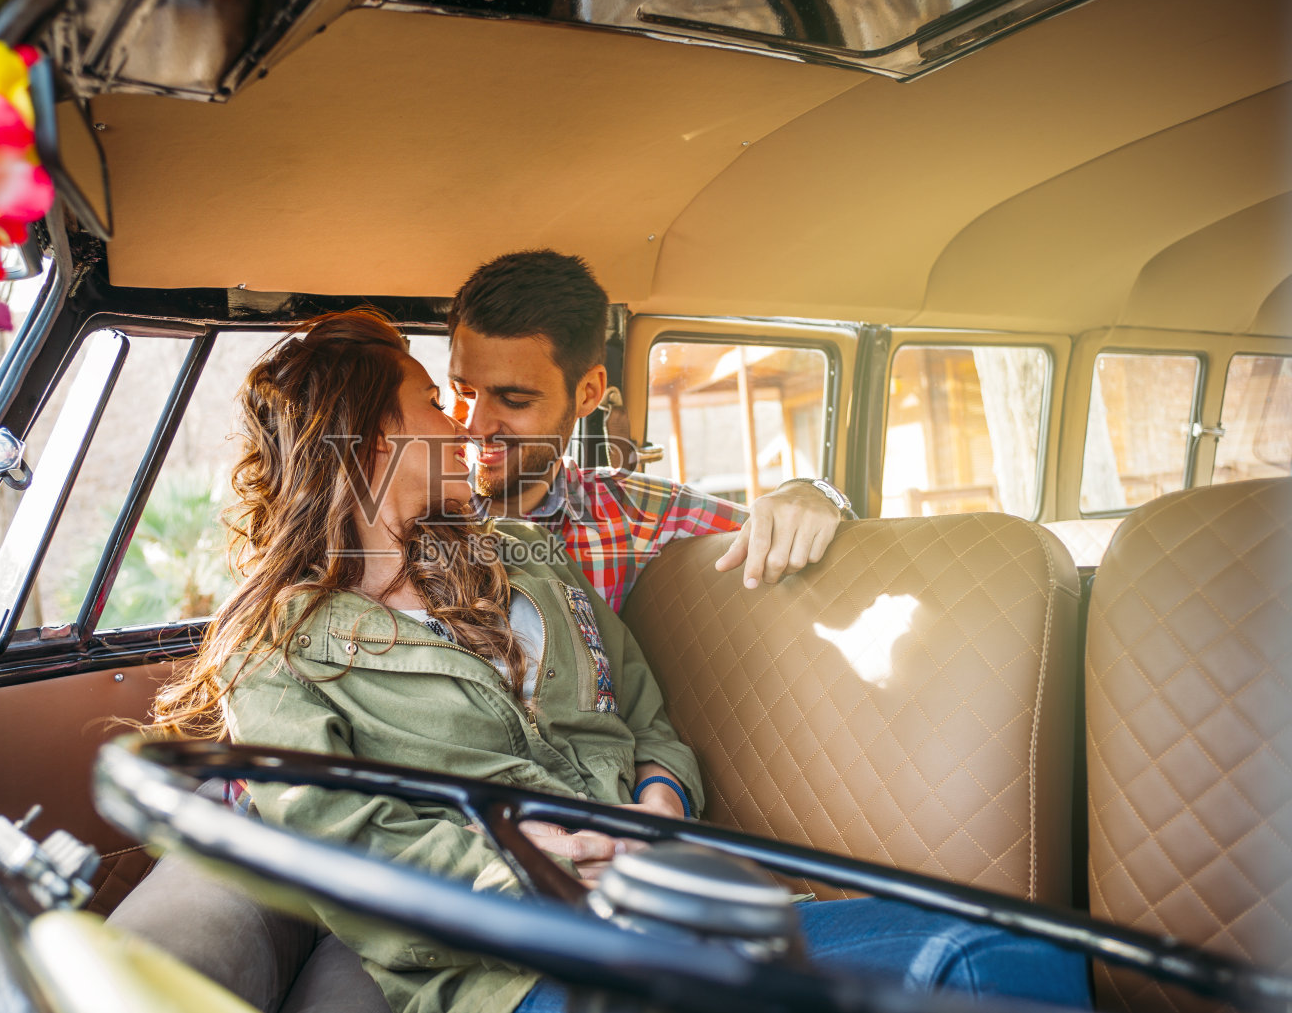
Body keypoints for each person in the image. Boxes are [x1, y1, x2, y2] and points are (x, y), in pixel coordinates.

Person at [115, 310, 1091, 1013]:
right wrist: (532, 861)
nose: (465, 424)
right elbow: (345, 850)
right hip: (516, 963)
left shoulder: (528, 560)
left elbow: (647, 720)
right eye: (434, 400)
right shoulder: (279, 652)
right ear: (376, 432)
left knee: (1001, 952)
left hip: (668, 895)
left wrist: (661, 796)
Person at [447, 249, 849, 614]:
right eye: (462, 392)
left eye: (514, 399)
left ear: (588, 393)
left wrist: (810, 493)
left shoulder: (639, 512)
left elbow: (821, 545)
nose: (473, 426)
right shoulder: (413, 510)